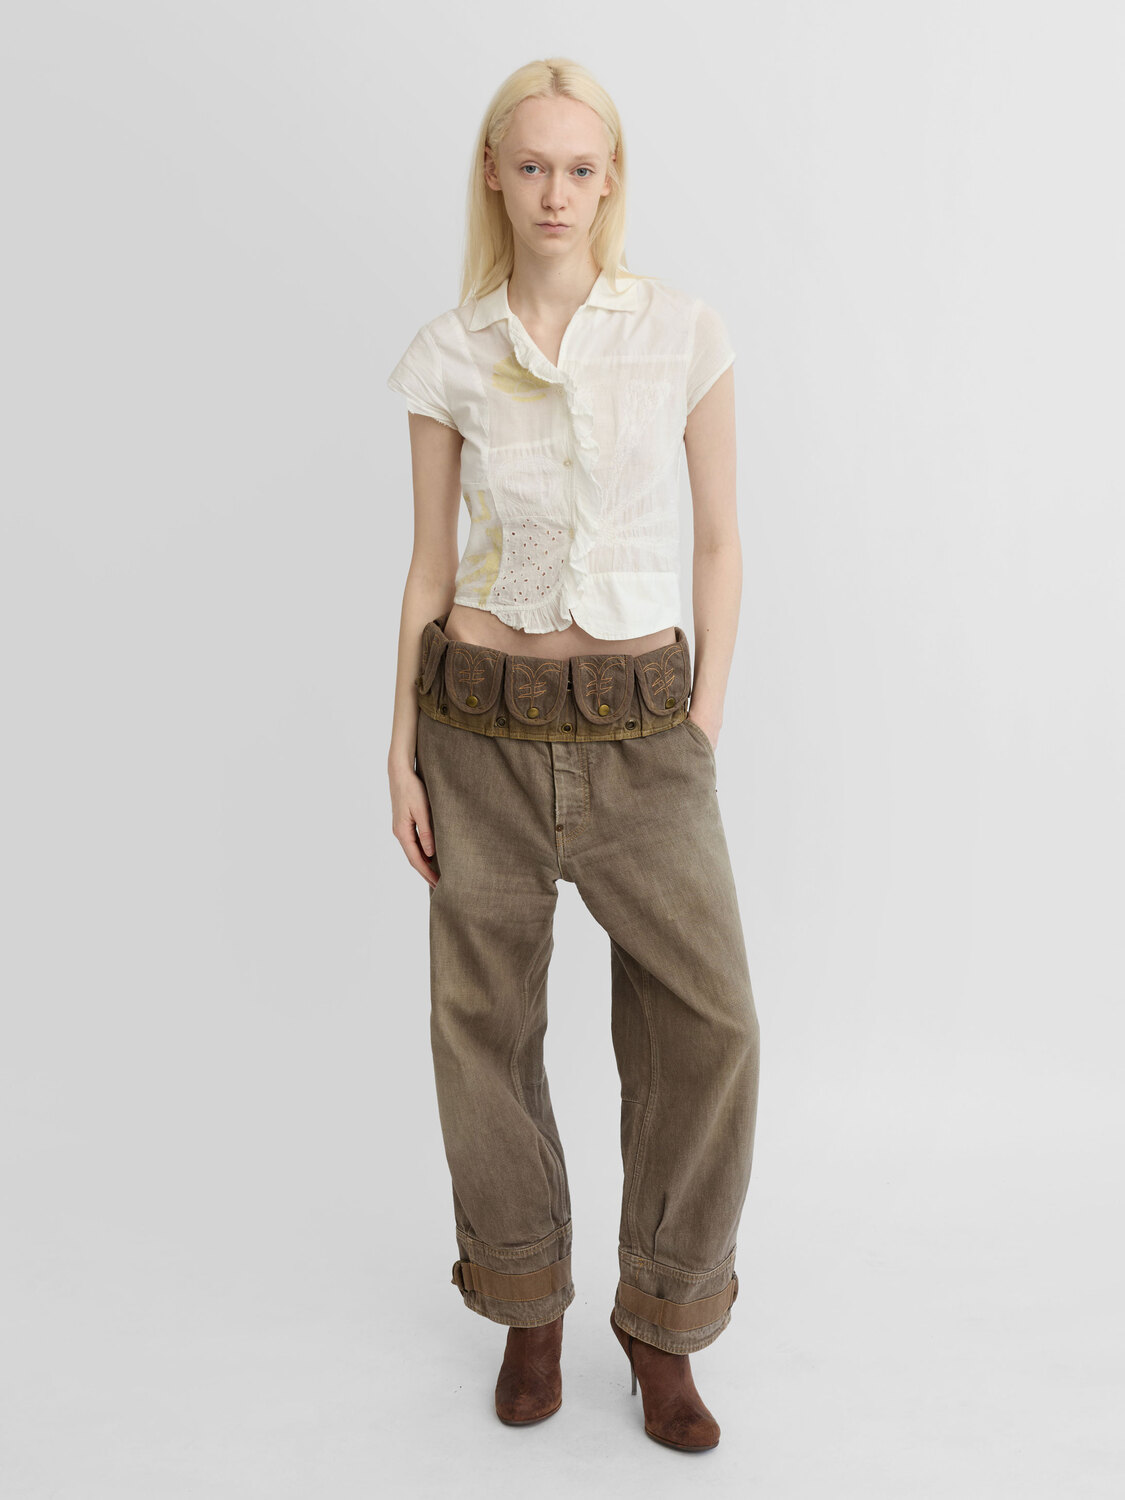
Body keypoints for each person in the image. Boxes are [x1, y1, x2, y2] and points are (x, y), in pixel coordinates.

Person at [386, 57, 760, 1452]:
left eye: (580, 168)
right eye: (532, 165)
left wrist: (699, 721)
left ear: (611, 183)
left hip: (642, 731)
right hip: (476, 728)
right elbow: (429, 567)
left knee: (708, 1022)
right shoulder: (448, 352)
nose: (556, 192)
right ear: (495, 176)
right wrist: (399, 749)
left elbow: (719, 541)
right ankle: (526, 1304)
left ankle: (662, 1319)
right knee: (481, 1028)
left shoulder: (682, 334)